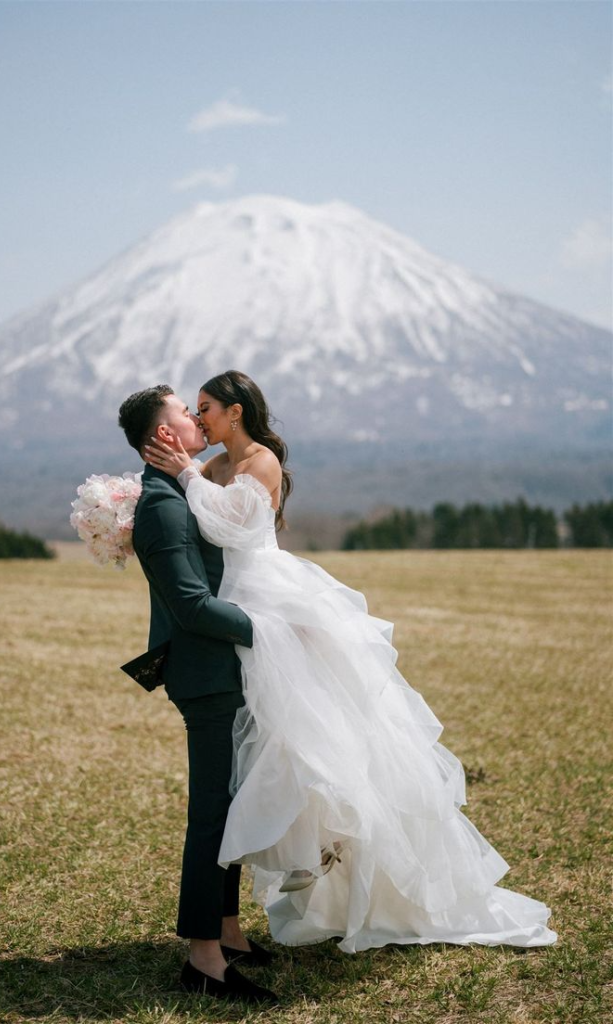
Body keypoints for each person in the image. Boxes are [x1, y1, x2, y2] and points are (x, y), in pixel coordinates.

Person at [144, 370, 558, 953]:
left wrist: (183, 472)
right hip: (234, 606)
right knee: (260, 752)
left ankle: (337, 860)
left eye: (206, 407)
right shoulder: (211, 467)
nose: (200, 417)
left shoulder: (258, 462)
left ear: (235, 414)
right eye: (194, 410)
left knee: (316, 733)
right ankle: (238, 913)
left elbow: (224, 523)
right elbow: (183, 520)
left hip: (267, 601)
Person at [117, 385, 279, 1006]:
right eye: (185, 411)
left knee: (229, 805)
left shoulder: (180, 486)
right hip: (205, 675)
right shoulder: (159, 504)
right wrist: (266, 630)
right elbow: (188, 604)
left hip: (222, 670)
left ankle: (229, 931)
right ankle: (203, 958)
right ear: (164, 434)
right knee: (211, 813)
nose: (194, 417)